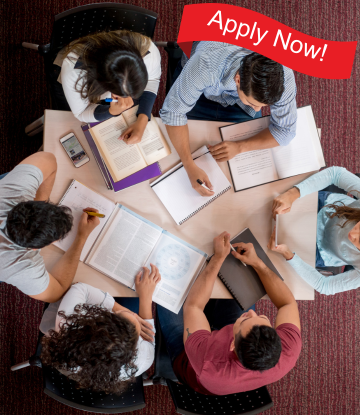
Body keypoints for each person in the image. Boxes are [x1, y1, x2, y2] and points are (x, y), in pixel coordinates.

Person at [157, 232, 301, 395]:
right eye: (261, 317)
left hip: (192, 363)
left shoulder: (206, 361)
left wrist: (218, 258)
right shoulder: (289, 349)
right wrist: (257, 263)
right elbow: (287, 303)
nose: (252, 312)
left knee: (165, 289)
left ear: (232, 344)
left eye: (246, 320)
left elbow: (193, 306)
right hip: (229, 352)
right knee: (241, 280)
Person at [159, 41, 297, 196]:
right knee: (173, 156)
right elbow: (173, 113)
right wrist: (189, 165)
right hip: (203, 89)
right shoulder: (206, 62)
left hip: (238, 102)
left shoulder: (284, 76)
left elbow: (285, 131)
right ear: (238, 79)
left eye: (263, 106)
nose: (258, 110)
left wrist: (241, 147)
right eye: (253, 103)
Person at [40, 264, 161, 394]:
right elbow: (149, 337)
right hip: (85, 369)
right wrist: (145, 299)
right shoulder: (143, 360)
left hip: (64, 343)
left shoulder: (70, 323)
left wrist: (122, 312)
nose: (133, 314)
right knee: (132, 296)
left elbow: (80, 288)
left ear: (97, 319)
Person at [0, 152, 100, 302]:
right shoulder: (17, 266)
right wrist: (81, 237)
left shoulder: (11, 193)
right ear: (34, 248)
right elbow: (56, 293)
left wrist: (41, 211)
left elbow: (49, 159)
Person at [58, 30, 161, 144]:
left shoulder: (148, 50)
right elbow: (81, 113)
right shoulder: (75, 73)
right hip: (81, 80)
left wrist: (143, 119)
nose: (129, 99)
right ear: (103, 84)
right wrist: (110, 112)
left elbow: (153, 79)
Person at [269, 166, 360, 295]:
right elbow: (336, 174)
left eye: (359, 241)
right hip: (324, 206)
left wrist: (288, 255)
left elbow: (325, 286)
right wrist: (292, 194)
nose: (352, 234)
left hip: (320, 250)